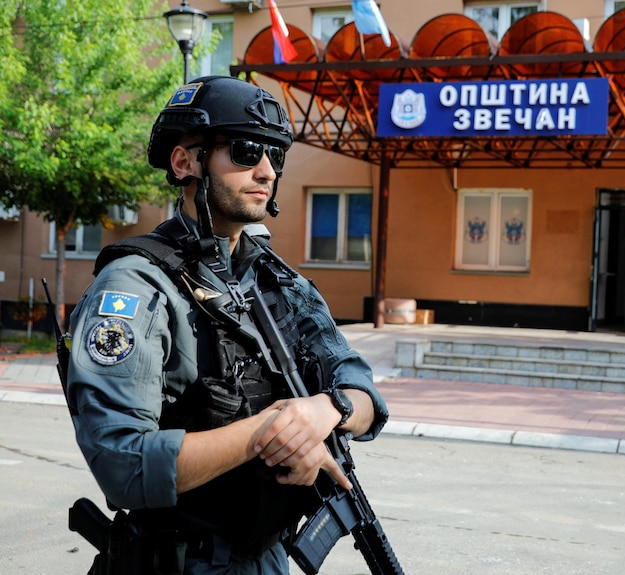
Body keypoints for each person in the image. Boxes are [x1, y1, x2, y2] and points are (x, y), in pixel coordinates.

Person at [66, 75, 389, 574]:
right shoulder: (134, 287)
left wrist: (328, 411)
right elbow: (123, 465)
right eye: (244, 150)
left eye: (274, 156)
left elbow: (361, 387)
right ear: (184, 162)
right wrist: (276, 430)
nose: (266, 171)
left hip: (267, 559)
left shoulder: (278, 281)